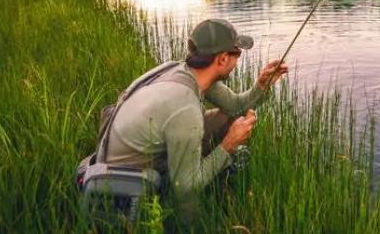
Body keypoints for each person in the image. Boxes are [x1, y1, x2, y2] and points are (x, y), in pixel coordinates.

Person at [103, 18, 288, 223]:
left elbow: (235, 106)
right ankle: (189, 225)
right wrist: (229, 145)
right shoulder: (184, 107)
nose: (238, 60)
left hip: (138, 151)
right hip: (127, 179)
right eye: (237, 53)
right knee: (189, 188)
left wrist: (262, 85)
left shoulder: (186, 72)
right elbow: (185, 186)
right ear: (223, 59)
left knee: (228, 117)